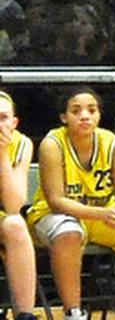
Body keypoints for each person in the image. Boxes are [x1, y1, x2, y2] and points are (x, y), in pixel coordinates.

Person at [26, 88, 115, 320]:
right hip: (52, 215)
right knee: (68, 230)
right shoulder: (52, 144)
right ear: (64, 117)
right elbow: (56, 201)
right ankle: (73, 313)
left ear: (99, 115)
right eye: (76, 111)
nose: (85, 116)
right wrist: (102, 214)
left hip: (102, 215)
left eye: (92, 110)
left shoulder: (114, 145)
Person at [0, 91, 37, 320]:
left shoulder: (22, 143)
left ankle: (25, 314)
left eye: (3, 118)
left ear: (14, 123)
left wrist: (2, 155)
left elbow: (14, 205)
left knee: (15, 224)